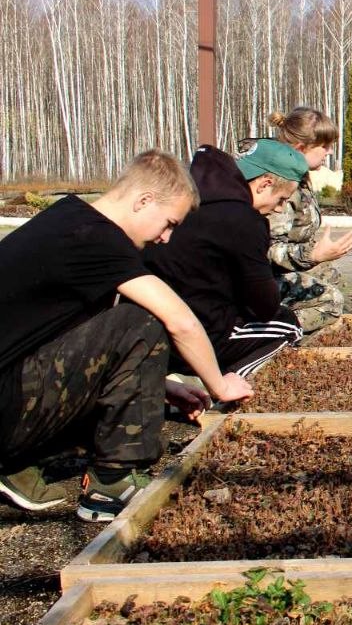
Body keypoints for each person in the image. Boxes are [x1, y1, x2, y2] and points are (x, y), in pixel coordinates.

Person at [0, 150, 254, 522]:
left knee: (125, 323)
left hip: (11, 392)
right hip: (7, 408)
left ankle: (20, 462)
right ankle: (112, 484)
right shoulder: (99, 241)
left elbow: (71, 342)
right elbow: (179, 320)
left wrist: (161, 384)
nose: (166, 238)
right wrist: (219, 385)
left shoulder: (69, 219)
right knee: (142, 321)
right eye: (168, 223)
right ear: (143, 201)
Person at [146, 140, 309, 378]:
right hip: (201, 336)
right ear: (265, 183)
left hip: (152, 333)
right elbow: (264, 306)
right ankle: (227, 385)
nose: (278, 209)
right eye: (282, 199)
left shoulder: (183, 198)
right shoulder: (243, 220)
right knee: (289, 325)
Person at [262, 107, 352, 333]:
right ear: (300, 148)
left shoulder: (299, 177)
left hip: (281, 268)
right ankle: (270, 338)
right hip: (260, 277)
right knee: (330, 300)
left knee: (329, 274)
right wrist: (313, 255)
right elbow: (267, 249)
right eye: (324, 146)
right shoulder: (281, 185)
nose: (329, 152)